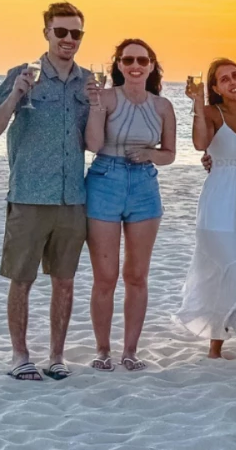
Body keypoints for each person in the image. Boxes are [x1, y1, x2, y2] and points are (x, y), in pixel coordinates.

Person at [0, 2, 94, 381]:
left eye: (75, 33)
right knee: (22, 279)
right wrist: (15, 96)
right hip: (29, 194)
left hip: (72, 198)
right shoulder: (22, 74)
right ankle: (19, 355)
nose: (68, 39)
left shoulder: (88, 81)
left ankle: (57, 356)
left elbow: (95, 140)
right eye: (60, 32)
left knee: (64, 281)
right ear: (45, 32)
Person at [83, 39, 178, 372]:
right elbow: (92, 144)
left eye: (142, 59)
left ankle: (130, 351)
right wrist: (95, 107)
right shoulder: (106, 97)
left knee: (137, 275)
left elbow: (170, 154)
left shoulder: (163, 106)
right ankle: (103, 350)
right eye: (128, 60)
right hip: (104, 180)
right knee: (105, 277)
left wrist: (150, 154)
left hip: (144, 185)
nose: (135, 65)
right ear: (119, 65)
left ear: (152, 65)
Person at [176, 58, 236, 367]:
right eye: (224, 79)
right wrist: (197, 103)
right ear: (216, 88)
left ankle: (215, 347)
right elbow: (200, 143)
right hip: (218, 206)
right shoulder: (212, 113)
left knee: (225, 275)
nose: (233, 81)